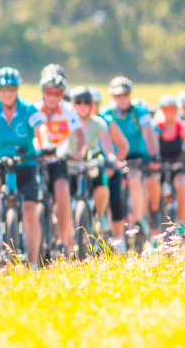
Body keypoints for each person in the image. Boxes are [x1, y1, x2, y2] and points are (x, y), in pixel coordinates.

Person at [0, 68, 45, 268]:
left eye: (12, 88)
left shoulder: (28, 109)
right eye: (3, 88)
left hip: (26, 163)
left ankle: (33, 264)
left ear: (17, 89)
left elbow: (41, 128)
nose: (7, 92)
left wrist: (46, 143)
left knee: (31, 212)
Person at [68, 86, 129, 252]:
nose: (82, 105)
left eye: (86, 102)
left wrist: (111, 158)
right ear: (72, 104)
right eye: (78, 102)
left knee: (102, 183)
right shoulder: (66, 121)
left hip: (91, 165)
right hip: (70, 166)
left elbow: (107, 144)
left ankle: (100, 214)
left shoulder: (98, 122)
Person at [100, 77, 160, 241]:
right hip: (115, 155)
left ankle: (139, 220)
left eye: (125, 94)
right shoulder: (106, 113)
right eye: (118, 95)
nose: (122, 98)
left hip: (135, 155)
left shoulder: (139, 111)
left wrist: (154, 155)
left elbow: (148, 133)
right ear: (113, 97)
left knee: (134, 179)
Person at [34, 73, 85, 257]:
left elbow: (80, 135)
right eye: (49, 92)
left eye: (58, 93)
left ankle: (64, 241)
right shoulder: (33, 109)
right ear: (43, 93)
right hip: (37, 159)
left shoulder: (68, 110)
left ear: (62, 95)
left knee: (62, 190)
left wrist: (80, 151)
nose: (53, 97)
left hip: (59, 159)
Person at [156, 94, 185, 235]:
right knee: (154, 186)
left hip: (179, 165)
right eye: (166, 109)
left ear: (176, 110)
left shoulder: (182, 126)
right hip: (161, 166)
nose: (169, 112)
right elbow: (152, 145)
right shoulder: (157, 127)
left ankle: (180, 222)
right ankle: (154, 222)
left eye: (172, 109)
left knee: (181, 185)